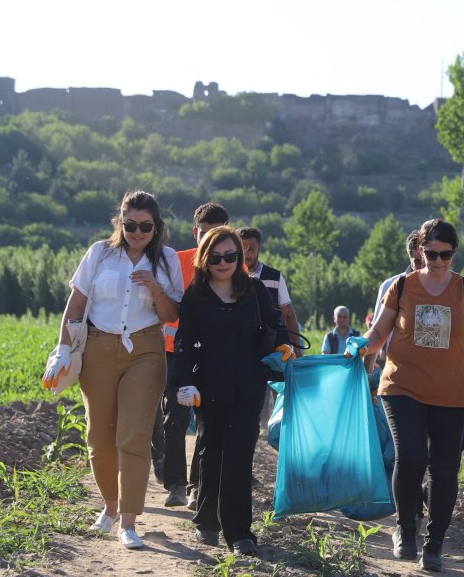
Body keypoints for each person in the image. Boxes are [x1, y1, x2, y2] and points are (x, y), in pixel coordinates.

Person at [354, 218, 464, 572]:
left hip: (452, 391)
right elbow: (378, 332)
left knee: (445, 469)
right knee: (412, 456)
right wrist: (361, 353)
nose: (437, 261)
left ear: (454, 254)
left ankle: (434, 544)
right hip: (402, 386)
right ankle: (405, 530)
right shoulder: (402, 287)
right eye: (431, 253)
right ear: (420, 250)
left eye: (445, 255)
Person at [46, 190, 183, 550]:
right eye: (130, 224)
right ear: (120, 222)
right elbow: (76, 303)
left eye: (145, 226)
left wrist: (154, 287)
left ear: (157, 227)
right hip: (98, 350)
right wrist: (62, 350)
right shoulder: (99, 253)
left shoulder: (167, 260)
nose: (137, 232)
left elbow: (171, 316)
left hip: (146, 351)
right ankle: (108, 508)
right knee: (99, 439)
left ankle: (128, 521)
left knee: (133, 436)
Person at [174, 226, 289, 556]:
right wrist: (184, 382)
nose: (223, 262)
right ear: (205, 259)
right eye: (216, 257)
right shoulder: (196, 296)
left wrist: (284, 347)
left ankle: (239, 533)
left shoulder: (254, 290)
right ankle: (207, 520)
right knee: (211, 451)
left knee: (239, 454)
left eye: (231, 256)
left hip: (249, 386)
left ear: (241, 258)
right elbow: (183, 344)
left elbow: (276, 324)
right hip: (208, 387)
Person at [153, 202, 228, 511]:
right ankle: (176, 485)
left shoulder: (230, 265)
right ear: (195, 232)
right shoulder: (176, 262)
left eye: (219, 234)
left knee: (207, 421)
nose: (211, 241)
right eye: (206, 234)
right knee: (176, 418)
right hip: (173, 353)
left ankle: (198, 485)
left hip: (213, 356)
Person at [237, 226, 302, 355]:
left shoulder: (274, 277)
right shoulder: (226, 278)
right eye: (241, 249)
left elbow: (288, 315)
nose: (246, 255)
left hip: (270, 349)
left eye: (251, 249)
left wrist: (297, 351)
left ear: (259, 249)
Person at [368, 229, 422, 372]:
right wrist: (367, 375)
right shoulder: (390, 286)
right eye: (417, 262)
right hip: (396, 370)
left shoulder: (444, 288)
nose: (422, 268)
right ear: (409, 256)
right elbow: (376, 332)